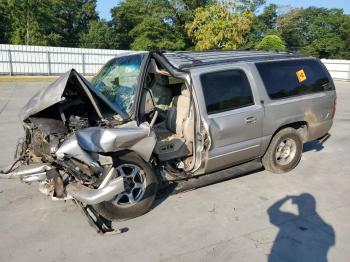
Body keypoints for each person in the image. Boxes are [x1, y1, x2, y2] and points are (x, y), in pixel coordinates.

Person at [268, 193, 335, 262]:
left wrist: (286, 198)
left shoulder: (290, 220)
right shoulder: (327, 228)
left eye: (300, 205)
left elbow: (271, 211)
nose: (299, 207)